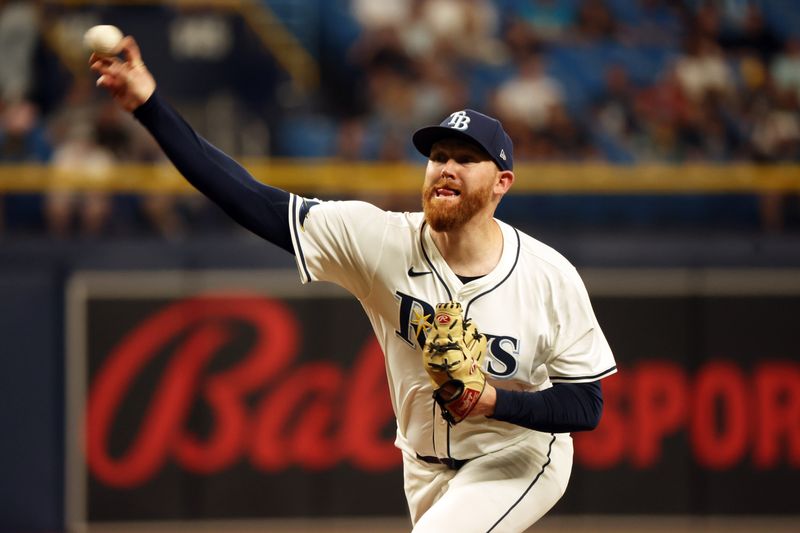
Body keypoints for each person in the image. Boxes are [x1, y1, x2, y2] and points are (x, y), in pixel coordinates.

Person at [89, 35, 616, 532]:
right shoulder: (380, 240)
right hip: (423, 465)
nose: (444, 169)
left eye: (465, 159)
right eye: (437, 157)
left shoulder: (547, 276)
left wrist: (495, 401)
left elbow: (585, 406)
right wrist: (149, 105)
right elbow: (249, 199)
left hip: (517, 456)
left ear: (502, 183)